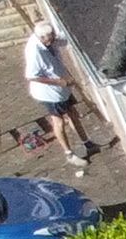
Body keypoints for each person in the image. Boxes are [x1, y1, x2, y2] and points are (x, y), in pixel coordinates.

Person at [22, 21, 84, 167]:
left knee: (73, 114)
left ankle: (86, 142)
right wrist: (60, 82)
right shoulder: (35, 52)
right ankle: (69, 153)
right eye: (50, 38)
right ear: (43, 38)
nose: (53, 40)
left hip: (62, 89)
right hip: (49, 94)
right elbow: (31, 76)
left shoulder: (48, 40)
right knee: (59, 121)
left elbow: (63, 40)